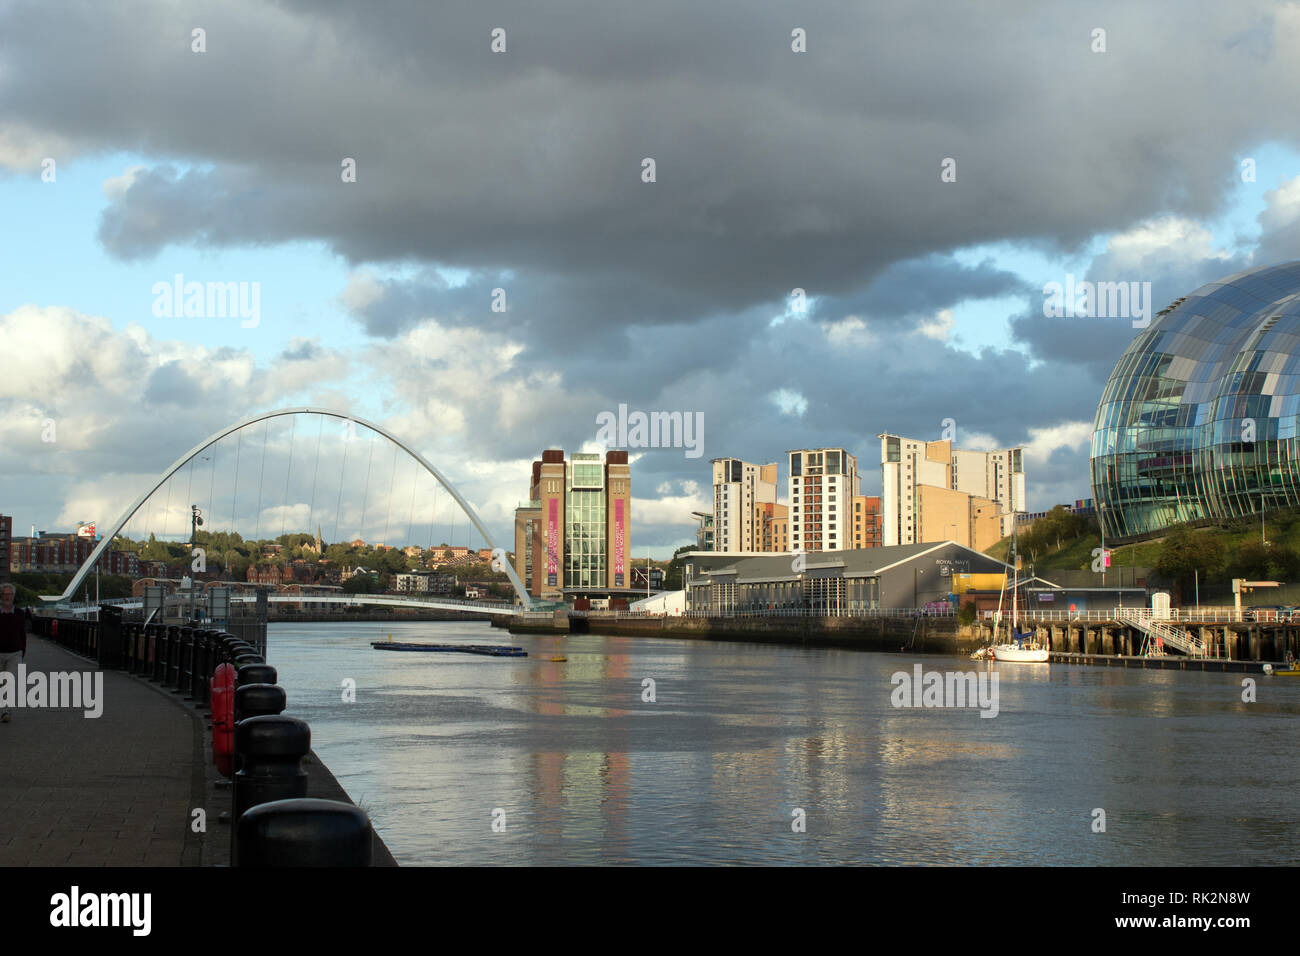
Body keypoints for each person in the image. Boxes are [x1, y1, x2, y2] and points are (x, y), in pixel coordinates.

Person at [0, 583, 27, 723]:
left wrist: (22, 651)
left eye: (9, 594)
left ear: (13, 596)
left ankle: (6, 711)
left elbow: (23, 634)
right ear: (1, 595)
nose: (7, 596)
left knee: (8, 682)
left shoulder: (19, 613)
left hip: (14, 653)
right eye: (4, 594)